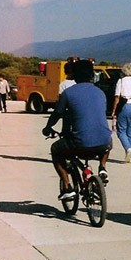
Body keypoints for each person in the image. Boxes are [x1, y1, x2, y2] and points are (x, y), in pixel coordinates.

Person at [42, 60, 113, 200]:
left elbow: (57, 113)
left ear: (74, 75)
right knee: (107, 140)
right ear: (92, 74)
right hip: (104, 143)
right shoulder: (100, 93)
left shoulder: (68, 93)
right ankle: (102, 167)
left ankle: (67, 187)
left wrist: (48, 127)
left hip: (81, 144)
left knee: (56, 149)